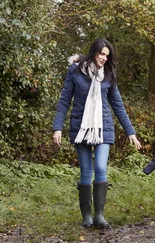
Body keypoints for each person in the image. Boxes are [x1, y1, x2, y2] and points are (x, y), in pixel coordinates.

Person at [53, 37, 141, 229]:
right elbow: (64, 100)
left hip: (103, 127)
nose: (104, 59)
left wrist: (130, 132)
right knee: (86, 170)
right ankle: (87, 217)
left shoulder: (108, 74)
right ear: (94, 52)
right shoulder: (75, 71)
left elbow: (117, 105)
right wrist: (57, 127)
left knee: (100, 167)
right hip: (81, 128)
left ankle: (99, 215)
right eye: (102, 54)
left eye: (107, 56)